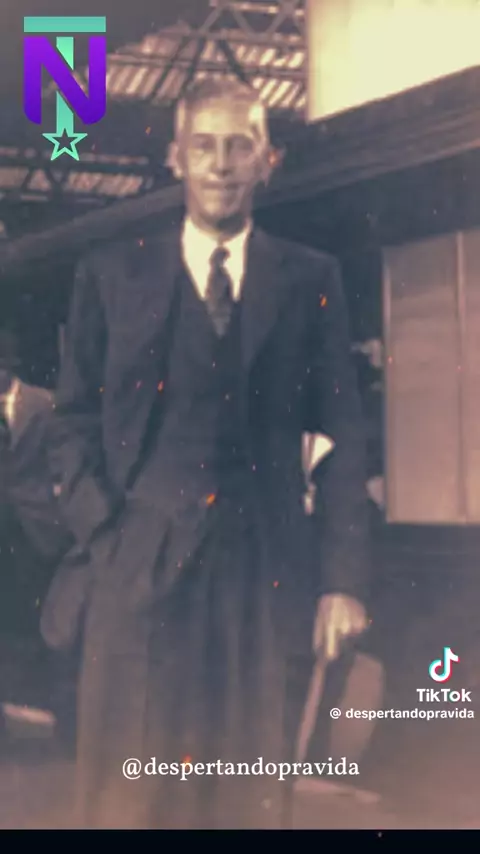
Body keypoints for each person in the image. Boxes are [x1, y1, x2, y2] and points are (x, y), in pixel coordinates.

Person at [44, 78, 370, 829]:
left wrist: (342, 581)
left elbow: (344, 434)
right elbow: (72, 421)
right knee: (132, 799)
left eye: (238, 146)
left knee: (246, 795)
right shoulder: (111, 273)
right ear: (175, 159)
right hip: (136, 573)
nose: (221, 164)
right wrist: (108, 535)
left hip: (263, 577)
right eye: (203, 147)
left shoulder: (310, 279)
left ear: (267, 160)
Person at [0, 328, 71, 715]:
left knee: (43, 618)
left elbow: (62, 464)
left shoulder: (44, 405)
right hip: (3, 531)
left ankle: (49, 700)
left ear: (9, 364)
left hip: (38, 529)